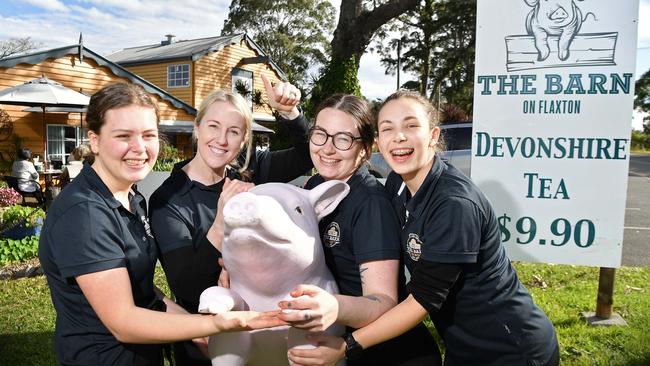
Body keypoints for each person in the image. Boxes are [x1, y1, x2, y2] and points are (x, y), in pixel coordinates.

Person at [288, 90, 559, 366]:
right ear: (379, 142)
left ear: (433, 135)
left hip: (512, 347)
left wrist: (347, 346)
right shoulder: (397, 184)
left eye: (411, 125)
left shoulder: (454, 204)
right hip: (462, 345)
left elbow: (421, 302)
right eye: (388, 128)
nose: (399, 136)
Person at [38, 82, 285, 366]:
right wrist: (219, 325)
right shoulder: (86, 214)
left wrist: (195, 330)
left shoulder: (131, 197)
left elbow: (143, 292)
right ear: (94, 140)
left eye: (148, 135)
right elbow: (124, 321)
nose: (139, 148)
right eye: (123, 136)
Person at [148, 74, 312, 365]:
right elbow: (187, 287)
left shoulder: (249, 173)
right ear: (197, 128)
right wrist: (222, 220)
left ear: (244, 140)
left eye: (234, 131)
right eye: (213, 126)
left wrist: (289, 112)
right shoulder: (169, 199)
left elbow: (306, 155)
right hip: (205, 343)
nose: (222, 140)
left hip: (263, 332)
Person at [277, 94, 442, 365]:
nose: (327, 149)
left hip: (389, 354)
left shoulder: (370, 203)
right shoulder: (315, 186)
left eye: (343, 139)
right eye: (321, 134)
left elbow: (384, 301)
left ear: (365, 148)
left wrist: (334, 306)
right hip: (341, 345)